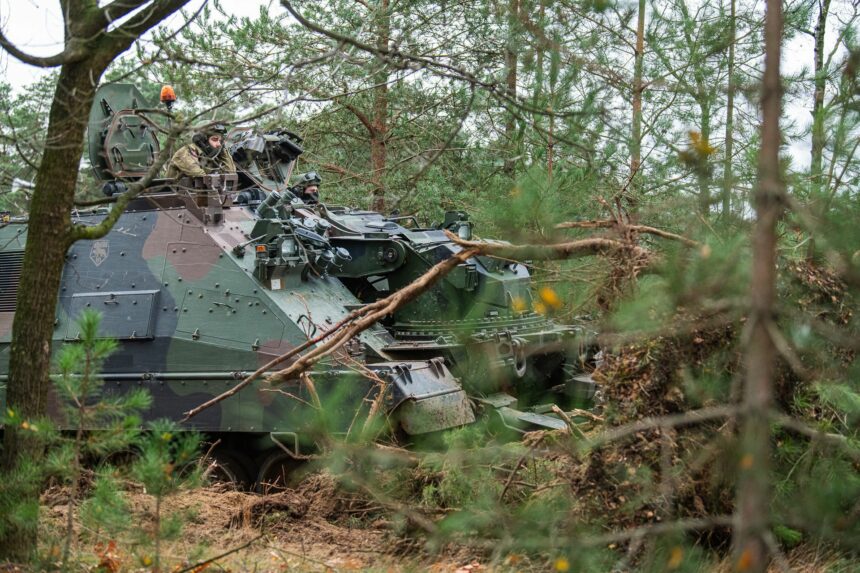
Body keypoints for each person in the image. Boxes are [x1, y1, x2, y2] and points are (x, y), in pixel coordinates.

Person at [167, 124, 236, 179]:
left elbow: (231, 175)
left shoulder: (209, 155)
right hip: (174, 194)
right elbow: (200, 177)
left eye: (220, 141)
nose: (219, 144)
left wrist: (223, 151)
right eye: (215, 140)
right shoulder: (187, 151)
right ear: (202, 141)